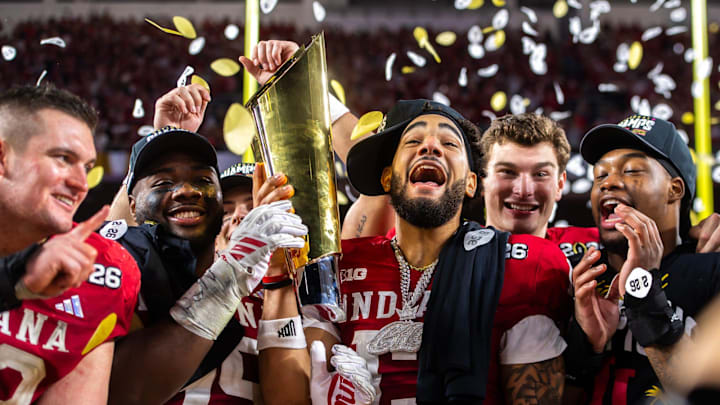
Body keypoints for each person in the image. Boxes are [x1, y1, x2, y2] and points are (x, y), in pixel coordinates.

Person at [0, 84, 141, 403]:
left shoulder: (102, 267)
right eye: (63, 158)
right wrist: (15, 279)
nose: (81, 184)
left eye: (87, 167)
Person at [568, 114, 720, 404]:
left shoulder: (710, 269)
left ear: (674, 189)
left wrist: (643, 294)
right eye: (600, 175)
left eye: (632, 171)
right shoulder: (578, 275)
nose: (608, 183)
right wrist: (584, 351)